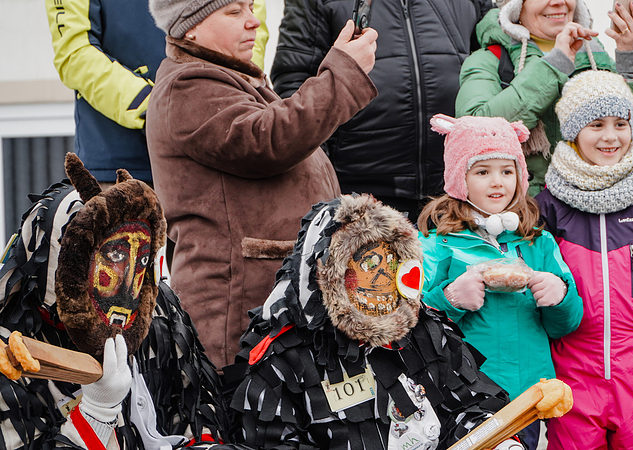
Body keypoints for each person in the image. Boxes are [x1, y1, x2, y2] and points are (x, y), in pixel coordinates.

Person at [145, 0, 378, 371]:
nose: (253, 22)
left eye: (250, 7)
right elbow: (269, 140)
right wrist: (342, 74)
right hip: (237, 314)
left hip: (271, 304)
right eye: (233, 12)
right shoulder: (187, 86)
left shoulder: (231, 79)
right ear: (190, 26)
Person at [229, 194, 566, 448]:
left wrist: (494, 440)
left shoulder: (425, 332)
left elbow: (467, 407)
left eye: (393, 262)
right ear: (329, 272)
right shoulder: (285, 360)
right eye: (368, 262)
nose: (383, 276)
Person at [0, 153, 229, 448]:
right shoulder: (10, 352)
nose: (130, 283)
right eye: (116, 255)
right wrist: (96, 412)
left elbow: (196, 410)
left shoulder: (156, 313)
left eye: (142, 259)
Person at [534, 70, 633, 449]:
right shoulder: (550, 206)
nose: (611, 136)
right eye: (596, 124)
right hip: (570, 376)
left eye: (621, 124)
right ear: (573, 131)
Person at [416, 113, 584, 447]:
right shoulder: (435, 244)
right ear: (459, 179)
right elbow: (413, 321)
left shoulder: (538, 241)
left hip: (527, 396)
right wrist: (449, 299)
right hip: (462, 396)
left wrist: (560, 296)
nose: (498, 182)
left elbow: (566, 324)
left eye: (507, 171)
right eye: (482, 172)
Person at [270, 0, 493, 222]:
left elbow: (496, 61)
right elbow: (294, 78)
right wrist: (323, 170)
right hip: (360, 196)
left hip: (458, 192)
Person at [456, 0, 633, 196]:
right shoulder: (490, 60)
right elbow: (473, 137)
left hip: (596, 220)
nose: (558, 2)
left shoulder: (599, 60)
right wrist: (554, 65)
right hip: (526, 221)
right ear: (516, 6)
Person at [43, 0, 268, 184]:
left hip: (214, 153)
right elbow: (75, 55)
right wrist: (156, 108)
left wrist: (221, 100)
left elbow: (248, 35)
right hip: (121, 167)